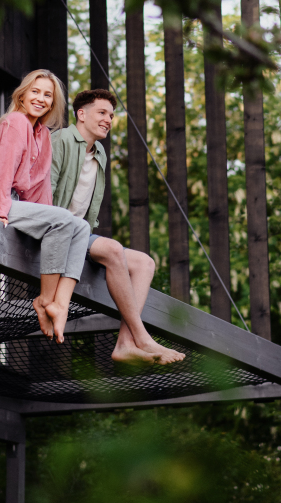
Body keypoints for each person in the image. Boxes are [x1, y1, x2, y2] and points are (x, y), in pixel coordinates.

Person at [51, 89, 185, 365]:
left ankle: (125, 344)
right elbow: (44, 193)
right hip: (55, 229)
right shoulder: (60, 140)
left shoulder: (99, 153)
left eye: (111, 115)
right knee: (112, 248)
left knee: (145, 264)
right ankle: (143, 338)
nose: (109, 119)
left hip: (80, 233)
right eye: (102, 113)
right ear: (81, 114)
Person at [0, 69, 90, 344]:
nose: (41, 99)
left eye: (48, 95)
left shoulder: (42, 135)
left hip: (14, 203)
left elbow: (39, 190)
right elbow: (2, 172)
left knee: (80, 225)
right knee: (65, 221)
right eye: (35, 91)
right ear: (23, 94)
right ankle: (43, 300)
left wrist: (47, 221)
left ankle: (59, 303)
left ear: (53, 104)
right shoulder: (16, 122)